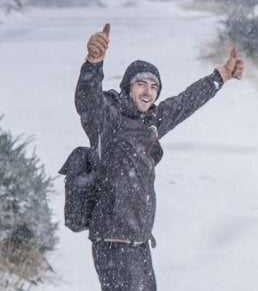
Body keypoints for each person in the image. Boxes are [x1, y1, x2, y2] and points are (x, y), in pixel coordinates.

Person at [75, 23, 244, 290]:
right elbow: (87, 100)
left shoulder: (151, 121)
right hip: (113, 242)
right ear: (127, 88)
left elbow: (186, 101)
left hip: (139, 242)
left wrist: (221, 75)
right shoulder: (108, 120)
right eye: (140, 83)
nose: (148, 91)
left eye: (154, 86)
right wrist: (93, 64)